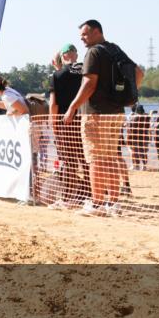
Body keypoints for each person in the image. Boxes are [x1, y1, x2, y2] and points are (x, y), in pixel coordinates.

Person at [61, 20, 144, 216]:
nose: (82, 38)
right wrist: (122, 97)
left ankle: (97, 203)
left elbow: (89, 83)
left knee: (95, 159)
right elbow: (139, 73)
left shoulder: (94, 52)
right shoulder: (115, 49)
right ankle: (113, 203)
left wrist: (72, 107)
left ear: (97, 32)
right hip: (116, 113)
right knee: (110, 158)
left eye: (85, 34)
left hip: (95, 113)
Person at [49, 44, 91, 206]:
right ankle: (91, 195)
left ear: (63, 56)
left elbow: (54, 104)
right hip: (86, 119)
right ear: (76, 54)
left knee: (69, 161)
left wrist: (53, 124)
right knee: (87, 159)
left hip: (66, 122)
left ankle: (67, 197)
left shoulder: (57, 75)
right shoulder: (87, 71)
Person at [124, 105, 151, 171]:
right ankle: (144, 166)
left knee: (134, 152)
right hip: (144, 137)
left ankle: (136, 166)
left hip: (135, 137)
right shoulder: (146, 118)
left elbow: (130, 128)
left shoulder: (134, 118)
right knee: (143, 152)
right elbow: (148, 124)